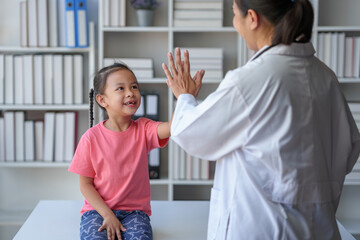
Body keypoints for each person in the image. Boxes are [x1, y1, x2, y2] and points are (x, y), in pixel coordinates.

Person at [162, 0, 360, 239]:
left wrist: (184, 96)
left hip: (265, 230)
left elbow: (188, 132)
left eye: (235, 15)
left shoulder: (252, 80)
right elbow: (349, 150)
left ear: (253, 18)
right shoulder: (325, 76)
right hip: (320, 230)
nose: (236, 24)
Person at [68, 63, 171, 240]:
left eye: (134, 87)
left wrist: (183, 97)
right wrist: (108, 215)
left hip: (135, 213)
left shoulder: (144, 128)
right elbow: (85, 184)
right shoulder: (90, 138)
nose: (130, 92)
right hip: (97, 211)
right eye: (120, 88)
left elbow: (173, 127)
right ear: (102, 100)